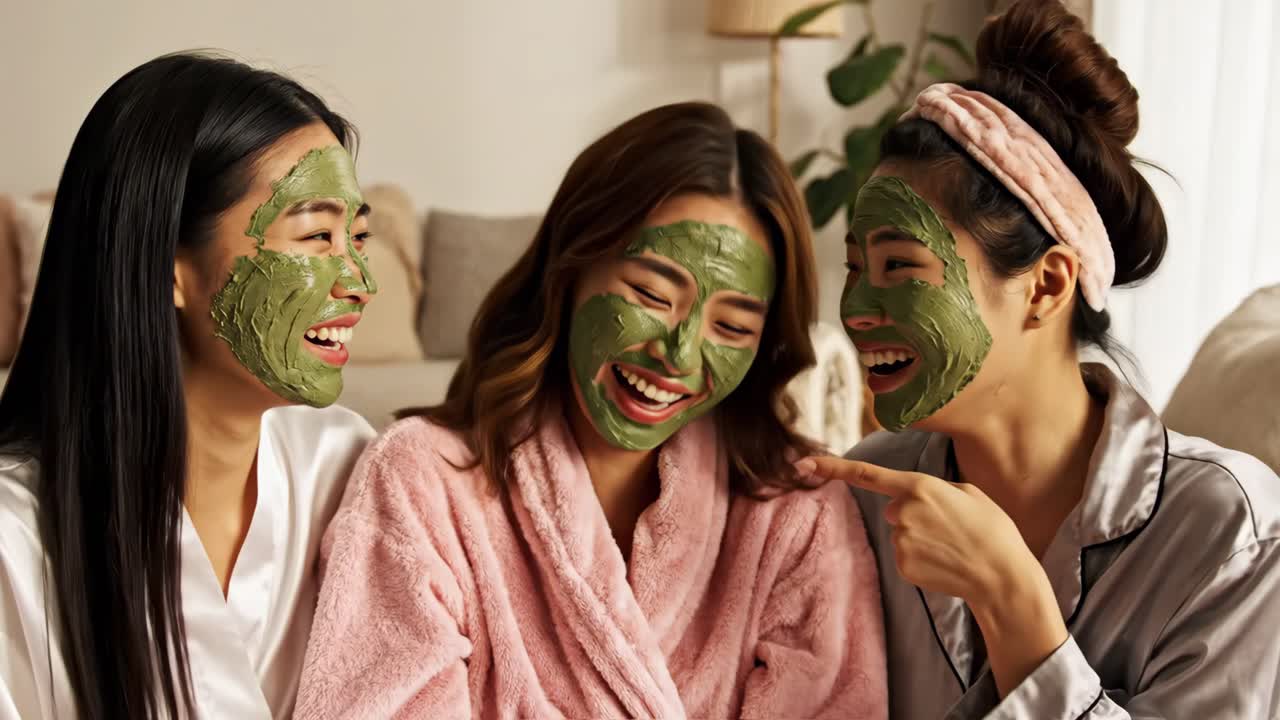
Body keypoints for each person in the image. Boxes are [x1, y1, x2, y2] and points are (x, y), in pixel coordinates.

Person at [295, 102, 888, 719]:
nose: (679, 355)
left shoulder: (798, 511)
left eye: (733, 327)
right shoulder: (422, 479)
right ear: (571, 266)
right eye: (650, 294)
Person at [795, 1, 1280, 717]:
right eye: (854, 267)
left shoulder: (1230, 531)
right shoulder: (868, 494)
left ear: (1047, 285)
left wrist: (1008, 597)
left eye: (899, 266)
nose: (857, 308)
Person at [0, 53, 379, 719]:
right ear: (168, 269)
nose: (359, 283)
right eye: (316, 235)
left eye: (359, 237)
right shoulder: (14, 540)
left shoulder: (343, 464)